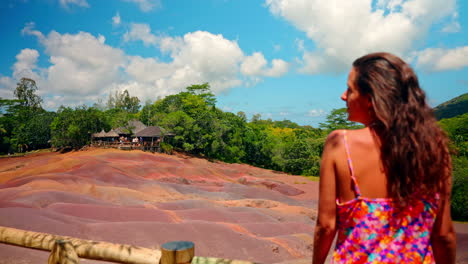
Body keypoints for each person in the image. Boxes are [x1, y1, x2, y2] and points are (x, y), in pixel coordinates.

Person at [313, 52, 456, 264]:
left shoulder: (339, 144)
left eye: (350, 90)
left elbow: (326, 226)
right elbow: (443, 235)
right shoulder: (434, 149)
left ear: (370, 99)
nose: (344, 96)